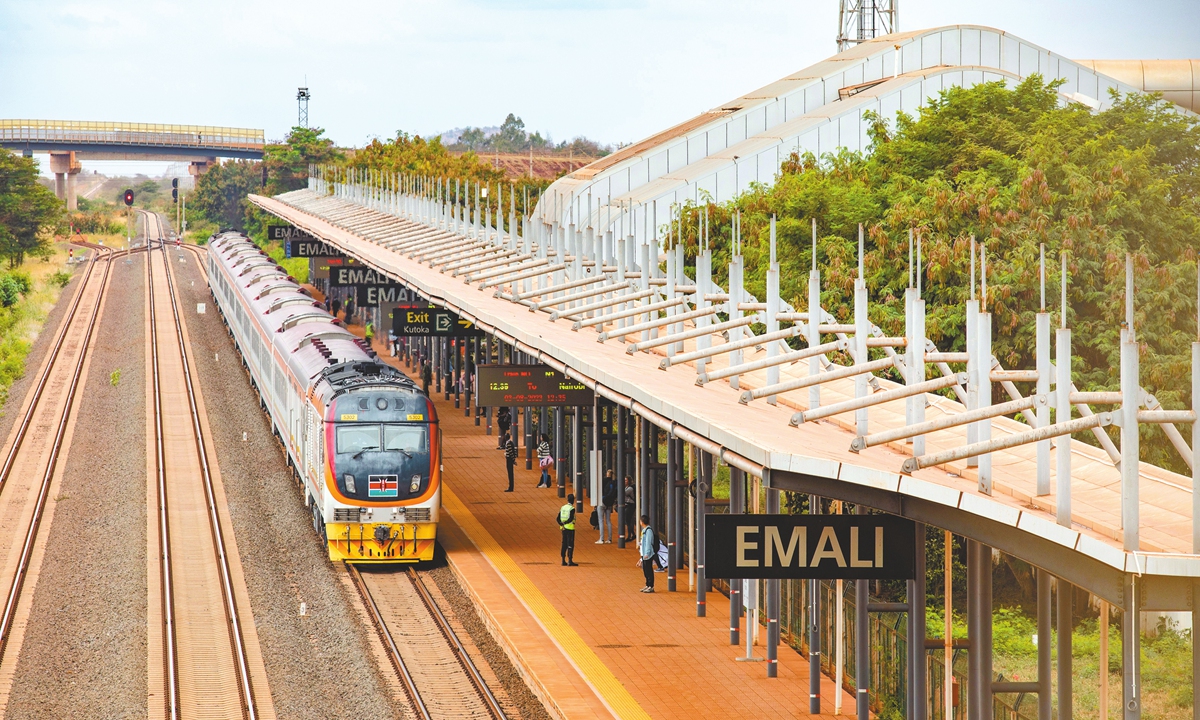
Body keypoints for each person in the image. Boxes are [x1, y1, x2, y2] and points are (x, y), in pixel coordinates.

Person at [596, 470, 616, 544]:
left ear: (607, 474)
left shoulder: (603, 481)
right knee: (608, 521)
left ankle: (601, 539)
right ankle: (609, 539)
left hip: (602, 501)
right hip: (609, 502)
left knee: (601, 520)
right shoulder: (613, 482)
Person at [557, 495, 577, 566]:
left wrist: (561, 524)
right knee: (570, 544)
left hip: (563, 529)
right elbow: (571, 518)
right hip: (570, 528)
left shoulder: (563, 507)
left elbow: (558, 518)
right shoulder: (572, 508)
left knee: (564, 543)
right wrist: (565, 523)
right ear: (573, 500)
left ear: (567, 499)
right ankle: (570, 560)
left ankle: (563, 560)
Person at [638, 515, 655, 592]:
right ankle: (647, 584)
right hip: (644, 553)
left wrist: (647, 553)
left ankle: (650, 586)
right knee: (645, 570)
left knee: (648, 570)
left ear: (642, 522)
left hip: (647, 554)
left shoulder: (648, 531)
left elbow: (648, 543)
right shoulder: (644, 530)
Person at [623, 476, 636, 542]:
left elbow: (623, 493)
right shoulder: (626, 487)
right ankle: (632, 534)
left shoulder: (630, 488)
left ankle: (630, 536)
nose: (624, 482)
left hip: (630, 505)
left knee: (628, 520)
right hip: (627, 505)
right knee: (628, 520)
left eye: (626, 480)